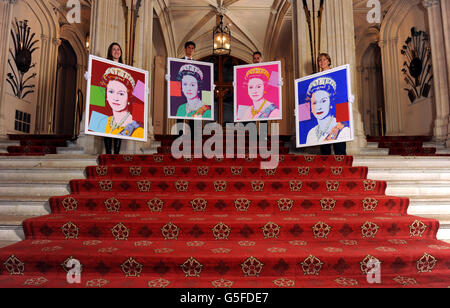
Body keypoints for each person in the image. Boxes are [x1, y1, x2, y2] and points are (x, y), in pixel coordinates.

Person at [305, 53, 350, 154]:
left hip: (338, 107)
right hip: (322, 110)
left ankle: (342, 162)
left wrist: (348, 97)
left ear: (329, 61)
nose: (322, 62)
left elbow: (343, 88)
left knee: (340, 142)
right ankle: (327, 164)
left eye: (324, 60)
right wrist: (301, 109)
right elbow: (308, 95)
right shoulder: (315, 77)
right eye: (320, 60)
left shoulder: (337, 73)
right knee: (323, 142)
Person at [100, 66, 144, 139]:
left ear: (129, 98)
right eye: (111, 91)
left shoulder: (138, 130)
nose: (115, 98)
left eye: (121, 94)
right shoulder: (102, 122)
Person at [104, 43, 124, 154]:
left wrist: (142, 90)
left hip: (120, 102)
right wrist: (90, 76)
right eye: (114, 49)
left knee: (119, 127)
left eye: (118, 49)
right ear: (110, 52)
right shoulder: (105, 64)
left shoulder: (125, 67)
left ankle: (116, 153)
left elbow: (132, 83)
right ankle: (108, 152)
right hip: (108, 99)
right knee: (107, 126)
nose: (116, 51)